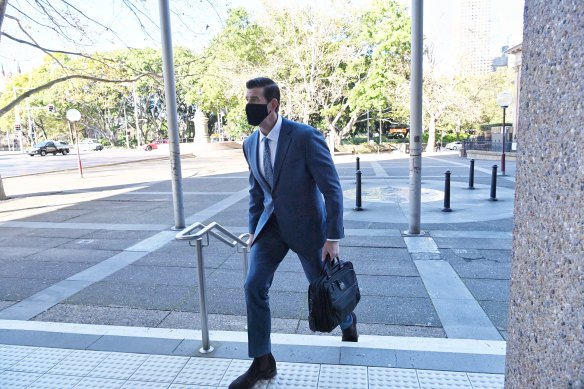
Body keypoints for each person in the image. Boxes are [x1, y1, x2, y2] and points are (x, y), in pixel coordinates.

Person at [229, 77, 358, 389]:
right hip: (270, 228)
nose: (249, 106)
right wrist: (252, 231)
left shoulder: (304, 136)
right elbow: (256, 193)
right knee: (253, 285)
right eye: (247, 99)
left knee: (324, 289)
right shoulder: (249, 144)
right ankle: (263, 362)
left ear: (272, 105)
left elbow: (332, 189)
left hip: (308, 228)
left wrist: (332, 237)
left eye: (255, 101)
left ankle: (348, 322)